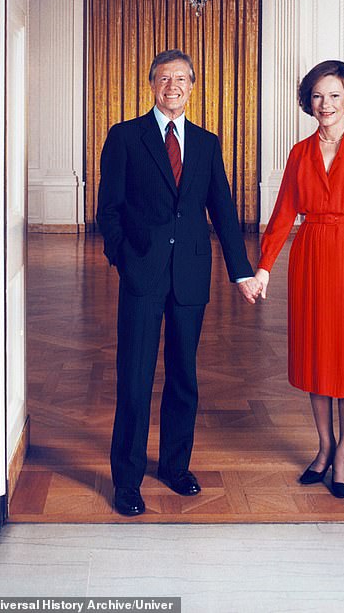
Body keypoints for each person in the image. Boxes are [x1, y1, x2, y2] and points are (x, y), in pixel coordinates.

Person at [97, 49, 261, 516]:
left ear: (193, 87)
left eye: (182, 79)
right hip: (142, 274)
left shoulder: (207, 144)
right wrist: (124, 259)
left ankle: (174, 466)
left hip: (191, 275)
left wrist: (241, 270)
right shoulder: (126, 137)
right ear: (151, 85)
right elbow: (108, 209)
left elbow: (224, 212)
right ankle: (127, 480)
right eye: (165, 79)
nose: (173, 87)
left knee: (183, 377)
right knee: (134, 378)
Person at [254, 61, 344, 499]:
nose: (325, 104)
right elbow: (281, 217)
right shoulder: (299, 153)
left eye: (334, 95)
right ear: (308, 101)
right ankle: (324, 445)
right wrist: (263, 267)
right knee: (317, 359)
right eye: (317, 95)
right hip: (311, 256)